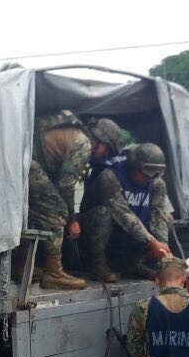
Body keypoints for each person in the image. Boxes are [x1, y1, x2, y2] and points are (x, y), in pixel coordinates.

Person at [27, 113, 125, 290]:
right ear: (100, 140)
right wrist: (72, 220)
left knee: (34, 212)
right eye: (107, 149)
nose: (105, 155)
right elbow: (66, 184)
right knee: (56, 210)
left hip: (23, 162)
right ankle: (53, 273)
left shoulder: (75, 134)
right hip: (27, 164)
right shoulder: (84, 144)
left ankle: (22, 267)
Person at [81, 142, 174, 283]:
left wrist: (162, 246)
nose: (149, 178)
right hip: (103, 232)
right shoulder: (110, 176)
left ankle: (136, 264)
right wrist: (151, 242)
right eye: (146, 174)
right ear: (134, 167)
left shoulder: (156, 182)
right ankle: (98, 265)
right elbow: (122, 213)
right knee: (103, 213)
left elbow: (158, 213)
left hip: (131, 234)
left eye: (154, 175)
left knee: (168, 218)